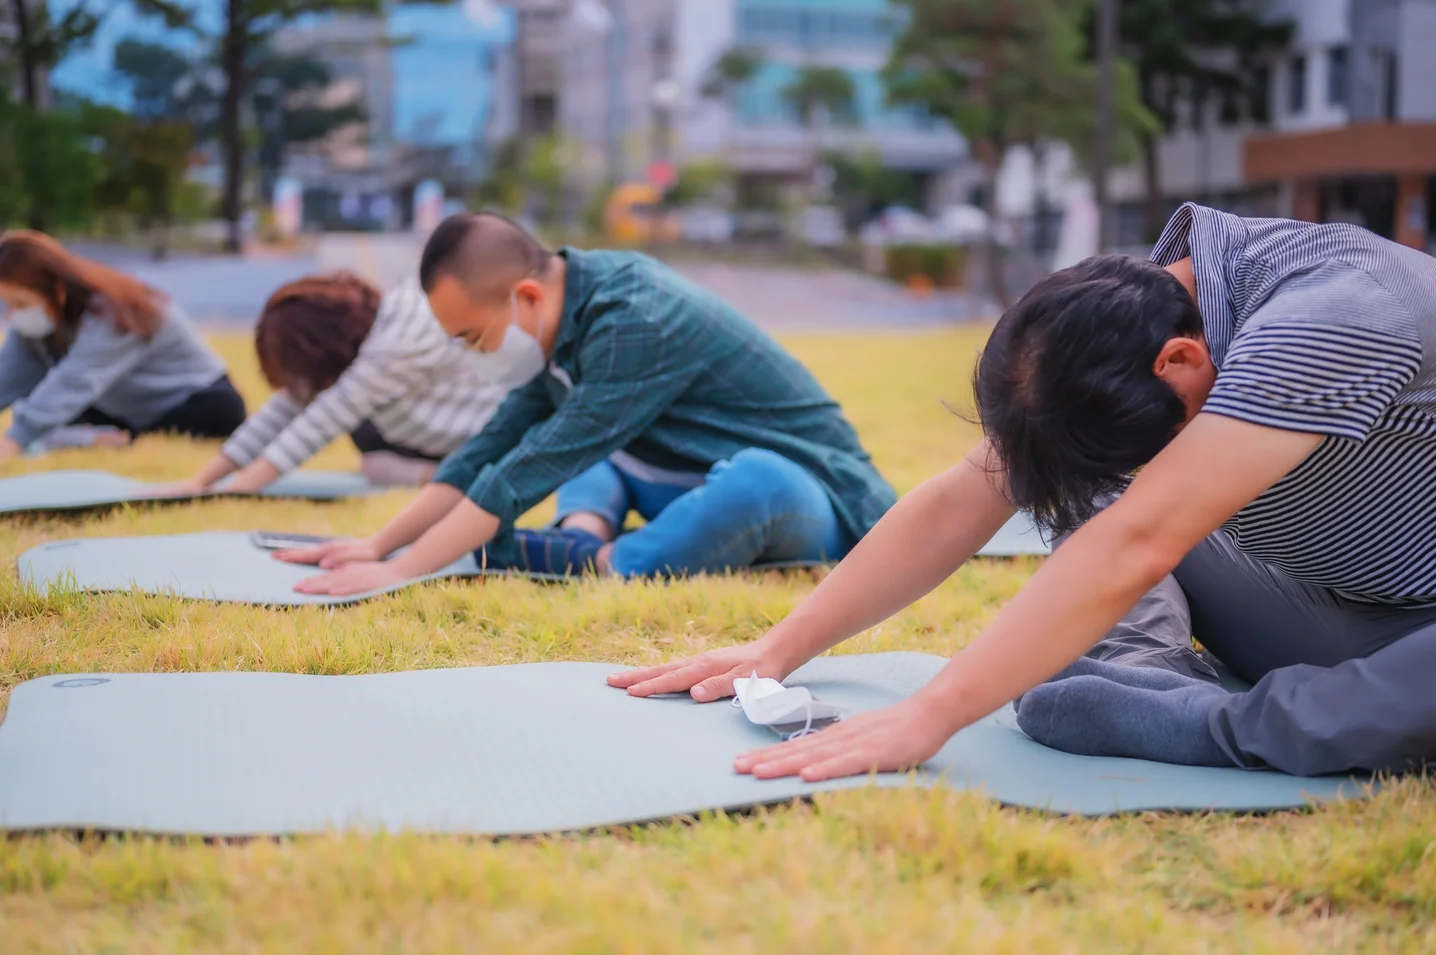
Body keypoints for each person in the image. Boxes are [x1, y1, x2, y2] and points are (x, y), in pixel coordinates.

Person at [611, 202, 1436, 781]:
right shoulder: (1133, 309)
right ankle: (1146, 671)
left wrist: (931, 716)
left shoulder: (1333, 314)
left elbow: (1142, 542)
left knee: (1131, 513)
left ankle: (1207, 724)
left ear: (1181, 362)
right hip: (1327, 606)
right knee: (1076, 472)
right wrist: (777, 649)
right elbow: (972, 493)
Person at [276, 212, 895, 592]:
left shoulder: (635, 318)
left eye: (472, 336)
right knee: (585, 445)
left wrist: (403, 572)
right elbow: (488, 451)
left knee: (755, 481)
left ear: (525, 297)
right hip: (683, 476)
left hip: (817, 498)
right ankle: (581, 532)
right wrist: (379, 546)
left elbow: (526, 469)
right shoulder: (560, 322)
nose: (472, 353)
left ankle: (597, 560)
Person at [174, 271, 537, 494]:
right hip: (441, 429)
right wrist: (201, 481)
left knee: (363, 437)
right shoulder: (378, 328)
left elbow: (314, 427)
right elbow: (285, 409)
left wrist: (236, 490)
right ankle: (425, 471)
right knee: (367, 441)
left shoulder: (395, 346)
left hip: (491, 437)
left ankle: (434, 474)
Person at [0, 231, 245, 460]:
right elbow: (7, 377)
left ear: (58, 290)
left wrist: (13, 442)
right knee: (51, 418)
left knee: (50, 415)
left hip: (198, 403)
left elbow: (76, 381)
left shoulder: (115, 311)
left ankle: (107, 438)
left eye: (20, 303)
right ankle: (101, 437)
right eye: (7, 305)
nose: (14, 314)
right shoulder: (36, 326)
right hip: (124, 408)